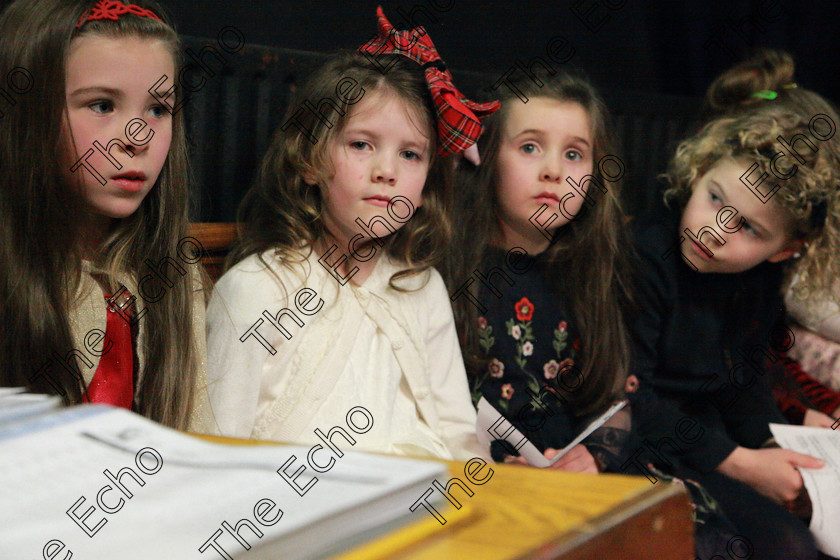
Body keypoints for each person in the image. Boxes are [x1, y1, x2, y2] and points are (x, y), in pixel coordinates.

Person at [205, 8, 498, 460]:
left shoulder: (423, 286)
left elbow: (459, 434)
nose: (386, 172)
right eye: (361, 145)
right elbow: (215, 448)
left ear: (425, 187)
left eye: (411, 155)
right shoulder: (256, 291)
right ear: (309, 160)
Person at [629, 50, 840, 559]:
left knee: (798, 541)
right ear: (699, 168)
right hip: (640, 443)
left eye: (748, 228)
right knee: (771, 546)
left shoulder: (755, 282)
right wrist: (742, 463)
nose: (715, 230)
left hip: (705, 444)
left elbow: (743, 383)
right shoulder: (646, 256)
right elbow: (628, 400)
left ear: (785, 251)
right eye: (717, 198)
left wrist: (772, 444)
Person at [0, 0, 214, 432]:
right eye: (101, 105)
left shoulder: (176, 274)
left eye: (157, 109)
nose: (137, 137)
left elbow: (198, 433)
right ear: (29, 117)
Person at [442, 71, 635, 473]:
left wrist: (595, 456)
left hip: (569, 476)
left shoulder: (593, 270)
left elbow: (611, 403)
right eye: (530, 147)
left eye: (573, 154)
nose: (553, 171)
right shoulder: (445, 266)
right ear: (490, 155)